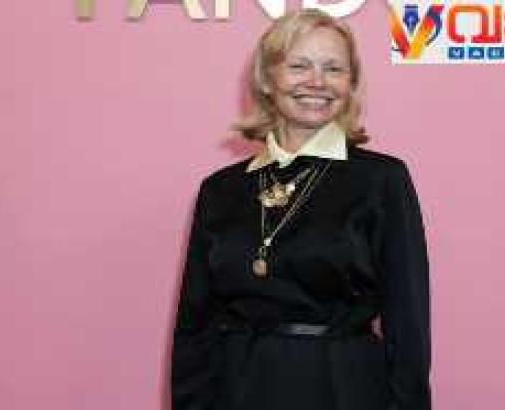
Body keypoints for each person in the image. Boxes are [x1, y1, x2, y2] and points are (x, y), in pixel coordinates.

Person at [171, 9, 430, 410]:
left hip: (343, 388)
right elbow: (195, 325)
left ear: (350, 84)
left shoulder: (382, 180)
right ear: (267, 79)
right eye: (299, 66)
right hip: (238, 389)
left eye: (333, 68)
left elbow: (408, 323)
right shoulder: (220, 189)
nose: (317, 81)